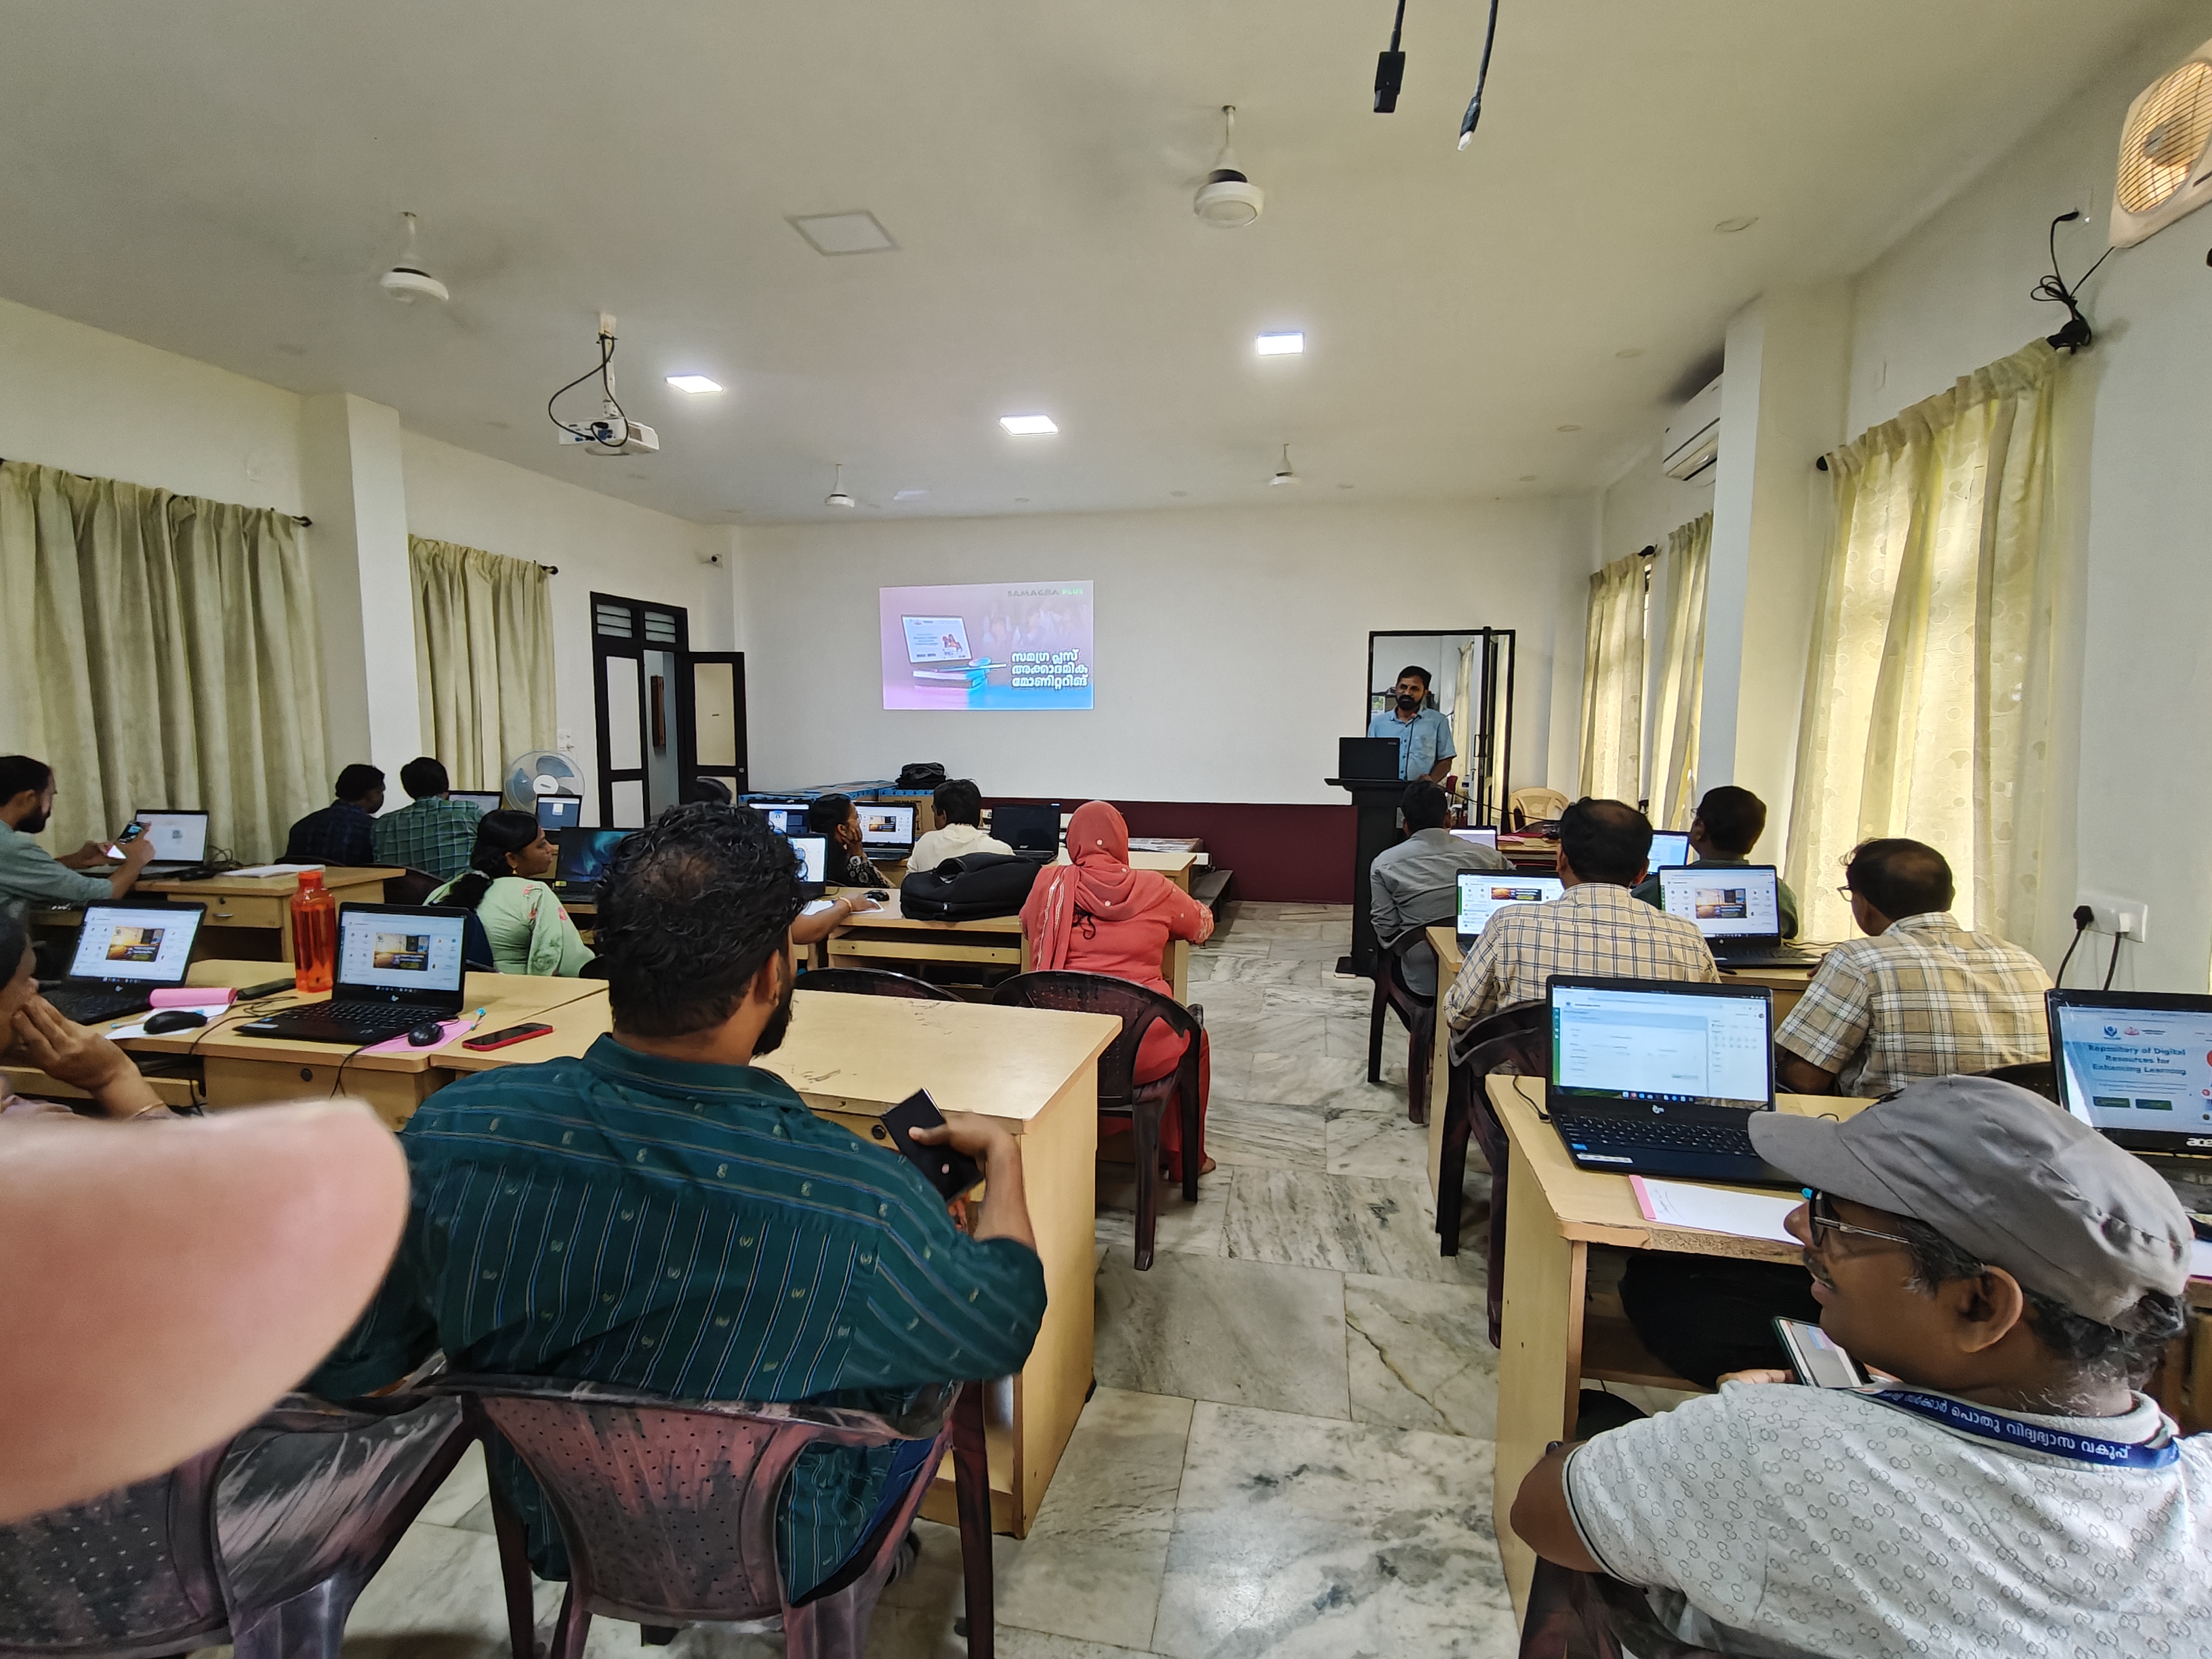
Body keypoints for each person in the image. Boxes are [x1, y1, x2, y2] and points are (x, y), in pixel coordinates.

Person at [309, 803, 1044, 1603]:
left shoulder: (452, 1133)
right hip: (788, 1546)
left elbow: (358, 1362)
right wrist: (1003, 1161)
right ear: (770, 974)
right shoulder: (865, 1197)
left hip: (563, 1529)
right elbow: (1000, 1331)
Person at [1511, 1076, 2208, 1658]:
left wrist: (1769, 1422)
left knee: (1596, 1417)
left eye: (1835, 1219)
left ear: (1980, 1304)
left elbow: (1542, 1510)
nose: (1799, 1227)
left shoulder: (1767, 1446)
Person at [1020, 800, 1215, 1180]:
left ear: (1073, 842)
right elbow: (1200, 927)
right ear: (1121, 840)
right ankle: (1185, 1161)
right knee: (1195, 1038)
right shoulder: (1156, 888)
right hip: (1140, 1050)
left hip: (1063, 1047)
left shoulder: (1049, 885)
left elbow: (1028, 927)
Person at [1776, 838, 2050, 1097]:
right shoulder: (2023, 959)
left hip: (1904, 1125)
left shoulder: (1858, 960)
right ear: (1950, 896)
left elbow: (1805, 1080)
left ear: (1862, 903)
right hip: (2023, 1125)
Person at [1442, 798, 1716, 1031]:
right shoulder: (1688, 939)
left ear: (1561, 859)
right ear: (1642, 872)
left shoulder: (1509, 926)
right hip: (1649, 1077)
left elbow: (1459, 1014)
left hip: (1527, 1077)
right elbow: (1714, 1022)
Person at [0, 912, 174, 1121]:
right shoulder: (38, 1130)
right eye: (26, 978)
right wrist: (113, 1076)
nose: (35, 987)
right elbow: (179, 1143)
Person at [1369, 778, 1507, 996]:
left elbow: (1386, 929)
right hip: (1488, 978)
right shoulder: (1491, 857)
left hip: (1425, 980)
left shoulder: (1383, 864)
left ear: (1405, 825)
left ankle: (1422, 1017)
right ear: (1448, 818)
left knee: (1377, 964)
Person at [428, 810, 594, 977]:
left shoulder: (444, 891)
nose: (550, 848)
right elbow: (572, 965)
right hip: (512, 990)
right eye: (541, 844)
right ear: (512, 858)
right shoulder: (535, 895)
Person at [1630, 783, 1801, 939]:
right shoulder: (1779, 892)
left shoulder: (1653, 892)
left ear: (1699, 829)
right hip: (1759, 963)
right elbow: (1790, 930)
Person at [0, 755, 157, 922]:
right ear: (29, 799)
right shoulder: (11, 848)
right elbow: (97, 896)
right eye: (51, 795)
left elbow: (18, 873)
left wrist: (74, 861)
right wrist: (136, 861)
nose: (51, 808)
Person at [369, 756, 482, 882]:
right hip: (458, 892)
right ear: (445, 784)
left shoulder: (383, 824)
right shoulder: (468, 811)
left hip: (403, 894)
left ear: (408, 790)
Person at [1366, 665, 1455, 783]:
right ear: (1396, 688)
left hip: (1421, 791)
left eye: (1414, 689)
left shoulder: (1438, 721)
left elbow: (1446, 760)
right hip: (1384, 789)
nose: (1407, 693)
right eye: (1403, 687)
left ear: (1425, 693)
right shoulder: (1378, 724)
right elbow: (1370, 759)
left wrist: (1430, 782)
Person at [283, 764, 386, 866]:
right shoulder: (373, 829)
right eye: (380, 791)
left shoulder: (301, 826)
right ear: (370, 794)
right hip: (353, 878)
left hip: (311, 878)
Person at [906, 778, 1011, 874]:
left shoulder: (924, 844)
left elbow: (908, 884)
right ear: (978, 814)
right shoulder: (1002, 852)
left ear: (943, 815)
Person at [807, 792, 889, 888]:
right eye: (856, 817)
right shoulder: (845, 863)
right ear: (842, 829)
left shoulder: (810, 854)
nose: (859, 822)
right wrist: (858, 853)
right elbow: (886, 889)